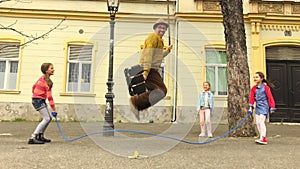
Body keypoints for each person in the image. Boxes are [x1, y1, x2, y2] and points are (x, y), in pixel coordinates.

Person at [129, 19, 172, 119]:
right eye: (160, 27)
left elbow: (158, 56)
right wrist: (146, 71)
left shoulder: (159, 40)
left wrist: (167, 51)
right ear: (155, 28)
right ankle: (136, 102)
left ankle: (137, 105)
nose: (162, 30)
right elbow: (148, 54)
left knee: (155, 90)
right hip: (150, 68)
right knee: (162, 90)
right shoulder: (153, 37)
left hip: (152, 68)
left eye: (164, 28)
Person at [28, 63, 57, 144]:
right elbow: (50, 97)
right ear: (47, 70)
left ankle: (40, 135)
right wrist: (54, 109)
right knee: (47, 118)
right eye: (51, 68)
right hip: (38, 100)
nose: (53, 69)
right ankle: (33, 137)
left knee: (49, 118)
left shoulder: (42, 78)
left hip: (38, 99)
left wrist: (35, 94)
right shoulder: (47, 82)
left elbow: (33, 87)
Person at [249, 71, 276, 145]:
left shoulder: (266, 88)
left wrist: (272, 107)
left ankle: (263, 138)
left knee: (261, 122)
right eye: (254, 77)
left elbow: (270, 97)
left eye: (257, 77)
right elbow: (252, 98)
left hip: (264, 106)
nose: (255, 78)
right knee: (257, 123)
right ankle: (261, 136)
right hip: (258, 107)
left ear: (261, 78)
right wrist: (250, 106)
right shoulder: (253, 88)